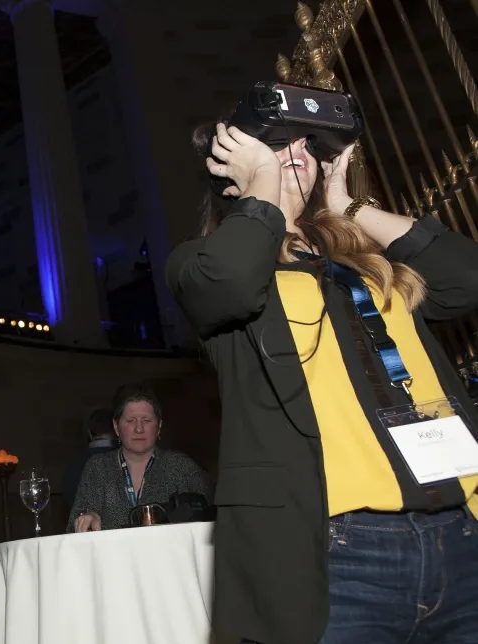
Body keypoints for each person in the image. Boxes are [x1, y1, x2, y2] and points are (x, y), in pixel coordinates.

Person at [166, 121, 478, 644]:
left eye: (302, 146)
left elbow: (466, 279)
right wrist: (264, 184)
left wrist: (346, 205)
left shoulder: (368, 265)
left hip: (459, 536)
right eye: (273, 146)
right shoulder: (207, 265)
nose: (293, 153)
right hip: (340, 553)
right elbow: (232, 282)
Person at [68, 383, 211, 532]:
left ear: (159, 426)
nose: (139, 429)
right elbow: (73, 527)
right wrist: (87, 518)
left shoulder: (181, 467)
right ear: (116, 427)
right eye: (130, 421)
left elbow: (208, 523)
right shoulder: (98, 468)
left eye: (147, 421)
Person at [62, 407, 117, 510]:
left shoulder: (75, 463)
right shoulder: (128, 459)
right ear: (117, 431)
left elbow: (69, 497)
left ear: (90, 434)